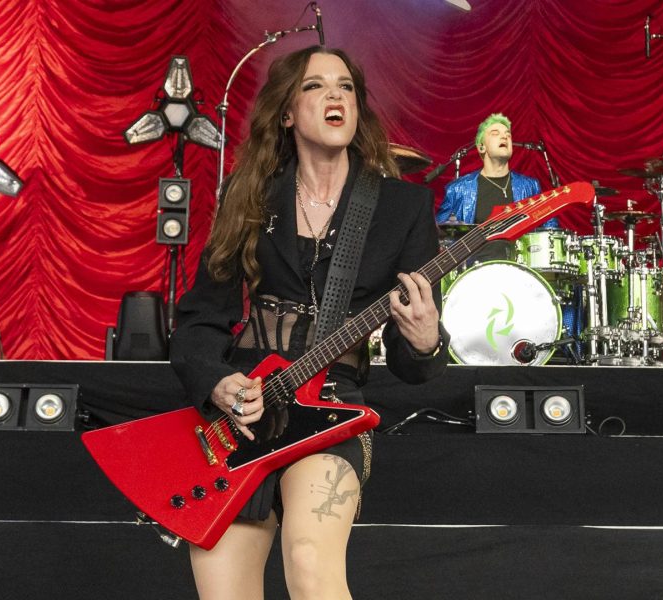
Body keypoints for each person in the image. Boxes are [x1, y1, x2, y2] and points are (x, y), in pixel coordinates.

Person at [169, 46, 450, 600]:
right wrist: (219, 382)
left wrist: (423, 342)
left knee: (308, 555)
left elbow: (411, 363)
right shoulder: (248, 198)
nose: (335, 96)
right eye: (317, 86)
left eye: (345, 86)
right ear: (287, 113)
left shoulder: (402, 208)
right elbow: (199, 321)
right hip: (244, 409)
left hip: (333, 407)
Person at [435, 113, 557, 261]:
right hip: (474, 274)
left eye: (508, 135)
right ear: (481, 147)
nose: (504, 137)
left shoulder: (529, 186)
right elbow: (439, 236)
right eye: (495, 133)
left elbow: (551, 229)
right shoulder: (458, 189)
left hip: (520, 271)